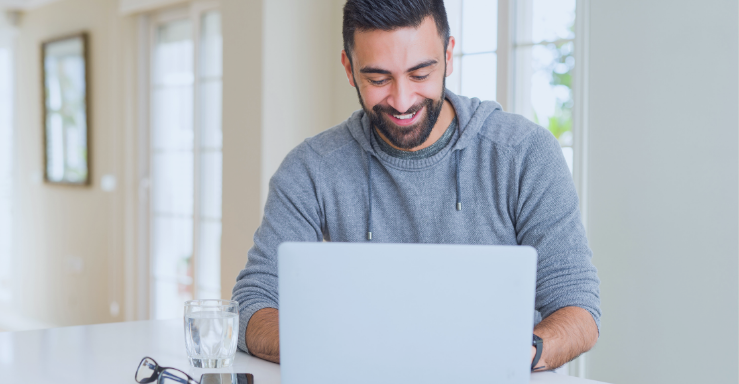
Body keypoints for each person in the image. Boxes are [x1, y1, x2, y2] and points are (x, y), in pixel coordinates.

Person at [232, 0, 600, 371]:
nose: (402, 100)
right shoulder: (311, 169)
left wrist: (518, 353)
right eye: (378, 79)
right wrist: (340, 349)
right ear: (348, 67)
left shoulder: (523, 153)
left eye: (420, 74)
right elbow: (255, 300)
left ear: (448, 55)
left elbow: (578, 307)